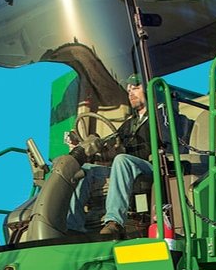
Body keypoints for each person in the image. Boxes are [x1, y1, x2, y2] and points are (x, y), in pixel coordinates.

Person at [65, 74, 155, 238]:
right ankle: (73, 226)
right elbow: (114, 145)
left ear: (150, 89)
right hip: (127, 167)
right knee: (85, 169)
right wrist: (87, 147)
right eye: (128, 90)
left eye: (135, 88)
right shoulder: (129, 124)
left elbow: (168, 146)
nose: (130, 93)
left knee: (121, 160)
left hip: (151, 167)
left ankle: (114, 222)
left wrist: (120, 153)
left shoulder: (162, 116)